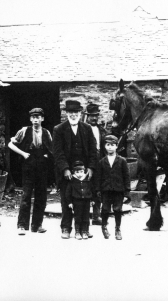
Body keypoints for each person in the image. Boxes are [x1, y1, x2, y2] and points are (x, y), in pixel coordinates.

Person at [53, 100, 98, 239]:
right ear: (66, 113)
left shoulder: (87, 128)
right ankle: (66, 228)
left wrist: (90, 168)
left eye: (76, 112)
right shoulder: (58, 129)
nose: (74, 115)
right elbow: (58, 152)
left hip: (83, 172)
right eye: (71, 112)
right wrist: (65, 169)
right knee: (67, 199)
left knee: (84, 200)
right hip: (67, 172)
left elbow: (93, 150)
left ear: (80, 113)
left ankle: (84, 228)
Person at [8, 108, 53, 234]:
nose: (35, 120)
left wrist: (47, 156)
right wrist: (23, 153)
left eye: (38, 117)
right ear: (30, 119)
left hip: (42, 166)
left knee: (41, 195)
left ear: (42, 119)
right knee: (26, 195)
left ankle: (37, 225)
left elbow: (52, 148)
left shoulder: (46, 132)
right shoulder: (24, 130)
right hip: (28, 165)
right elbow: (10, 144)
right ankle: (22, 225)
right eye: (33, 117)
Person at [95, 135, 130, 240]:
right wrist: (98, 190)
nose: (110, 147)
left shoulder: (122, 161)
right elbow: (98, 177)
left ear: (116, 146)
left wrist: (127, 193)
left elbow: (126, 177)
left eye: (112, 145)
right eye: (108, 145)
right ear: (105, 146)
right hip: (106, 190)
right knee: (105, 209)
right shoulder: (102, 162)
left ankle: (118, 229)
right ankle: (104, 227)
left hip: (118, 190)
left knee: (118, 209)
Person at [84, 102, 108, 225]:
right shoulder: (82, 129)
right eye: (91, 115)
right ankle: (83, 216)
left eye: (96, 115)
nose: (94, 118)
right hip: (86, 163)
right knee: (85, 189)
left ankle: (96, 216)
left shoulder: (101, 130)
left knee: (98, 188)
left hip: (99, 162)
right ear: (86, 116)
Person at [66, 161, 94, 240]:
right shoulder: (72, 181)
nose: (79, 174)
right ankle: (77, 231)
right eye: (77, 172)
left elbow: (91, 190)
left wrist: (92, 200)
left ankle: (84, 231)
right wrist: (70, 202)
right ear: (74, 172)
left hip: (86, 201)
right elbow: (68, 193)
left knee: (86, 216)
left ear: (84, 171)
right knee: (77, 216)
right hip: (76, 202)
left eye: (81, 171)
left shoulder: (87, 180)